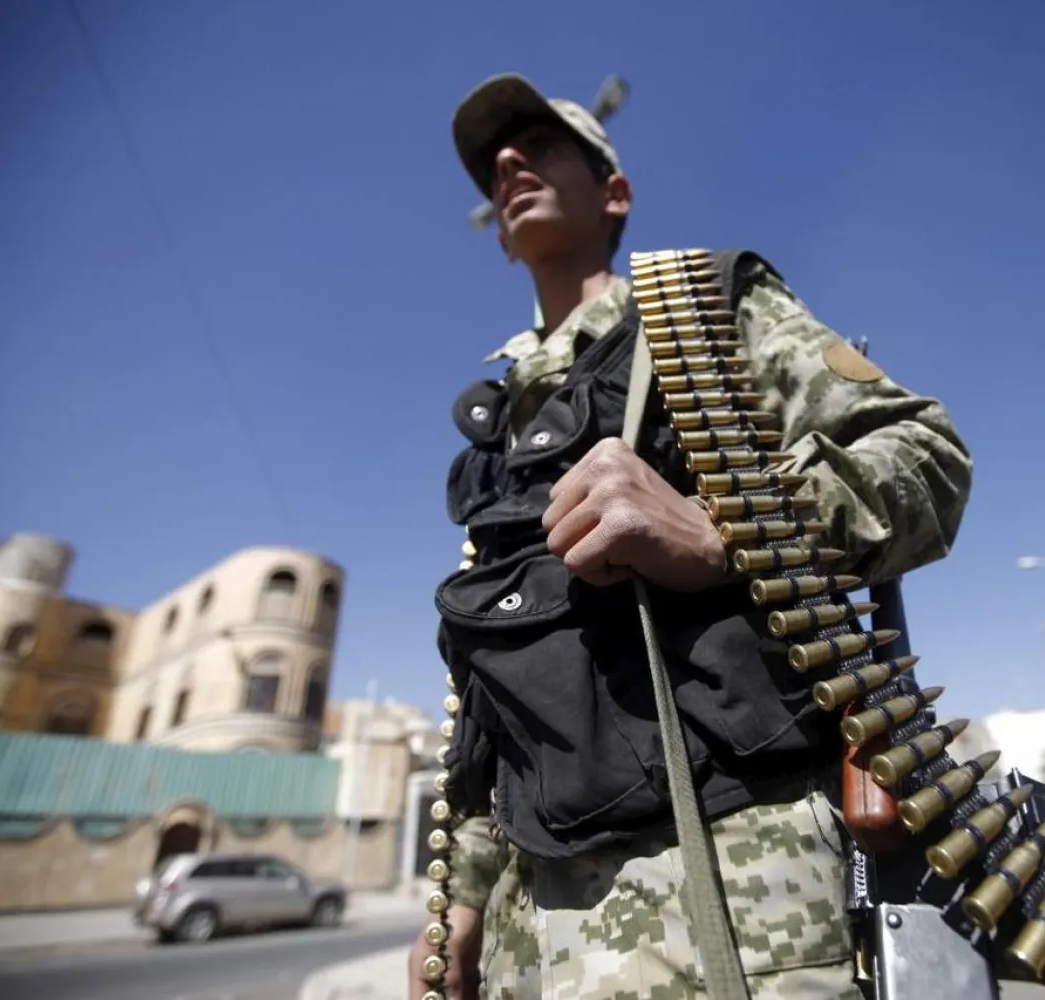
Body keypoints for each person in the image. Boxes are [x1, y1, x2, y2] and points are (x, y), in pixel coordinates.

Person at [409, 73, 974, 1000]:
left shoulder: (698, 308)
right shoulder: (497, 423)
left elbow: (924, 454)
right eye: (494, 165)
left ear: (614, 192)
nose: (509, 164)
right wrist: (459, 903)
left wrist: (727, 530)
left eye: (542, 146)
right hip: (526, 930)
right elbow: (489, 698)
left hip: (734, 889)